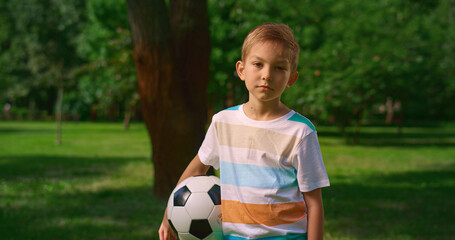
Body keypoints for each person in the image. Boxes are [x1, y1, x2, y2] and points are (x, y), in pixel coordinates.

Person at [159, 22, 330, 240]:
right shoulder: (224, 122)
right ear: (241, 70)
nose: (267, 75)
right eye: (258, 64)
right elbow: (195, 171)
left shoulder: (300, 132)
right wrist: (169, 216)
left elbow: (314, 204)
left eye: (279, 68)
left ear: (292, 78)